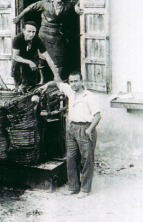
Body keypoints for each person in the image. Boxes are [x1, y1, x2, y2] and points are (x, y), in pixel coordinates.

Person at [39, 71, 101, 199]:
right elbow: (57, 83)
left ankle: (85, 189)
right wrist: (47, 85)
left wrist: (89, 131)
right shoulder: (70, 91)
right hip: (72, 128)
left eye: (76, 81)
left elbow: (97, 116)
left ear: (81, 81)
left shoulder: (89, 96)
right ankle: (73, 187)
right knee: (71, 158)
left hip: (85, 128)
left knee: (86, 159)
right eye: (71, 81)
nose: (73, 84)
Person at [13, 0, 83, 78]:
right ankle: (42, 79)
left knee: (59, 57)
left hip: (57, 35)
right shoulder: (46, 3)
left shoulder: (67, 5)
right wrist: (19, 17)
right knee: (41, 57)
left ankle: (57, 78)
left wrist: (77, 6)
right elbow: (31, 7)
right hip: (44, 34)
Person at [12, 21, 60, 92]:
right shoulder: (17, 39)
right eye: (29, 31)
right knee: (19, 85)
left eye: (33, 32)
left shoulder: (37, 40)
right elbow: (15, 57)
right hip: (20, 62)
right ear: (23, 31)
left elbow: (47, 57)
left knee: (31, 86)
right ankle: (17, 88)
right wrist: (29, 62)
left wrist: (56, 75)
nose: (31, 34)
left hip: (32, 62)